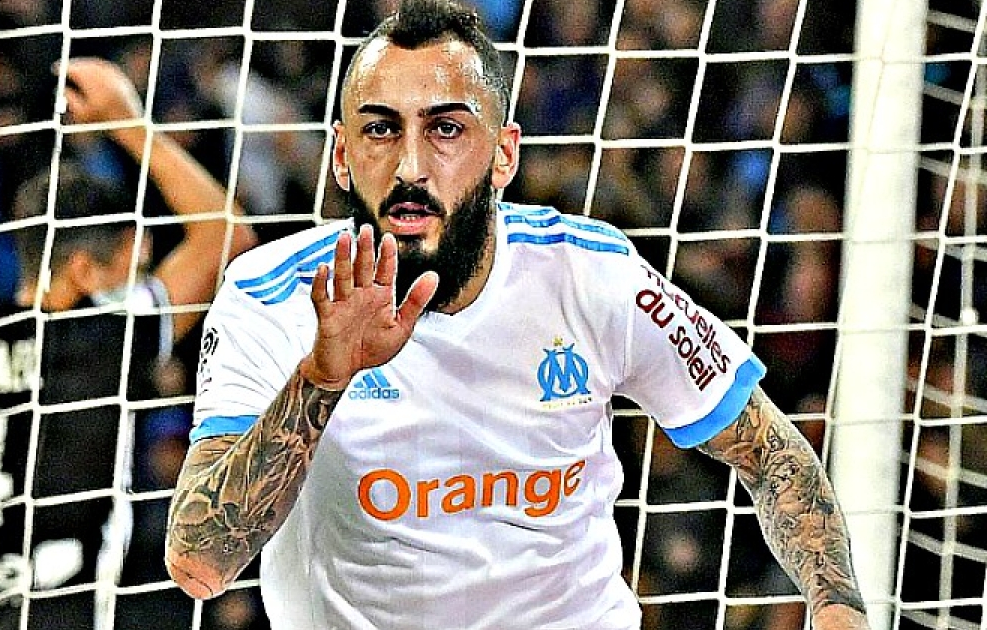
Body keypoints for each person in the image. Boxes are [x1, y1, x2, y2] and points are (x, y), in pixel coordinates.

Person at [164, 1, 870, 629]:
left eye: (445, 129)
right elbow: (198, 560)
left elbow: (771, 453)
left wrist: (838, 609)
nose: (410, 167)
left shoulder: (590, 274)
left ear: (503, 155)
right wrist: (321, 379)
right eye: (381, 130)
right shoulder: (271, 296)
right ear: (343, 158)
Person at [0, 57, 256, 630]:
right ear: (84, 272)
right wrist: (128, 122)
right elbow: (228, 237)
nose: (139, 268)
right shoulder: (104, 339)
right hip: (59, 616)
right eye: (127, 261)